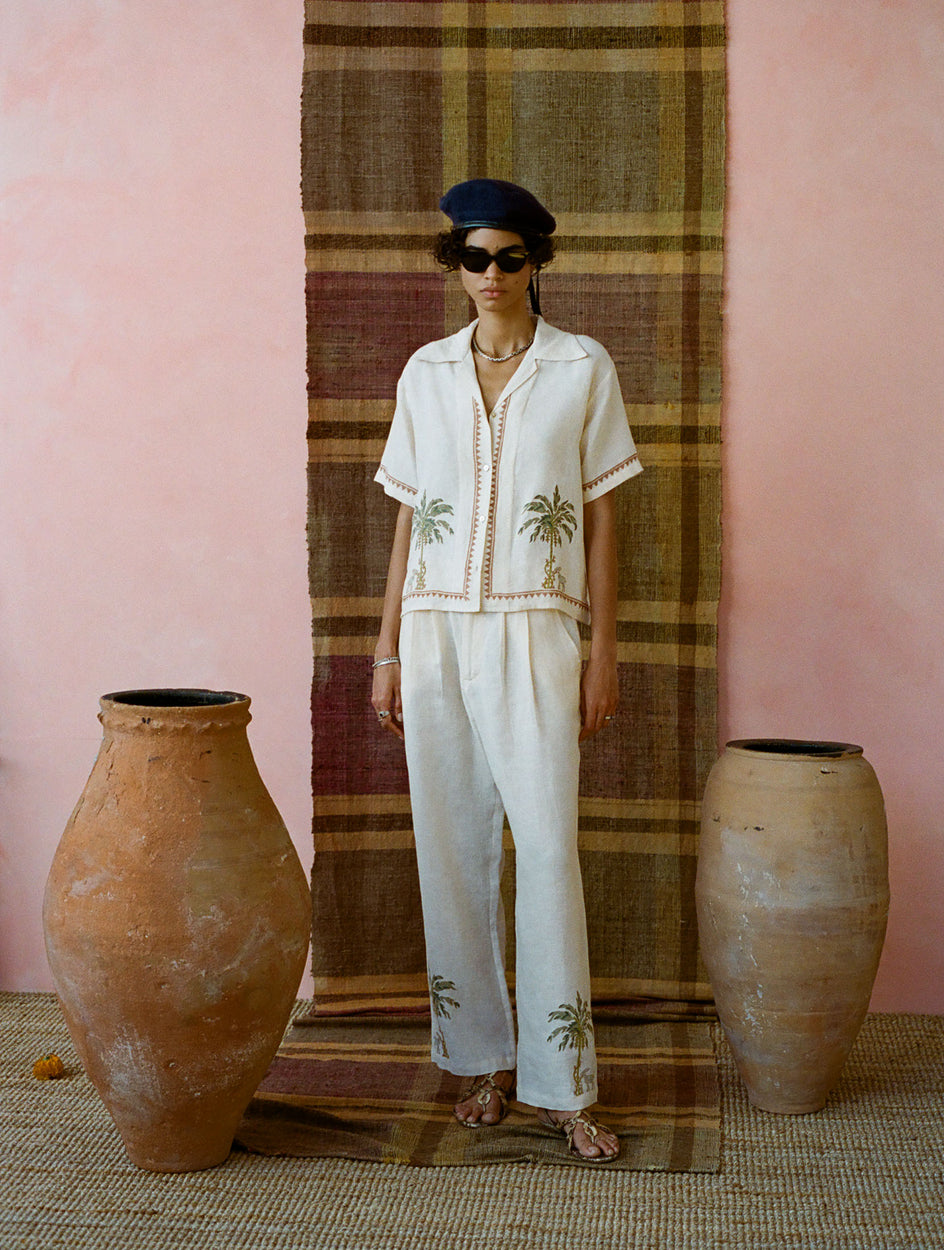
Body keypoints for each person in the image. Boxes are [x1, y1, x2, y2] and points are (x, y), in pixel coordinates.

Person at [370, 179, 641, 1162]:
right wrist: (386, 643)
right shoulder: (425, 372)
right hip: (437, 629)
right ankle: (482, 1062)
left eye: (509, 258)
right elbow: (408, 511)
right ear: (457, 265)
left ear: (536, 261)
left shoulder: (580, 367)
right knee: (450, 849)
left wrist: (602, 645)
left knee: (546, 852)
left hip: (535, 629)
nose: (490, 277)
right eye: (473, 258)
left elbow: (605, 513)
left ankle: (562, 1084)